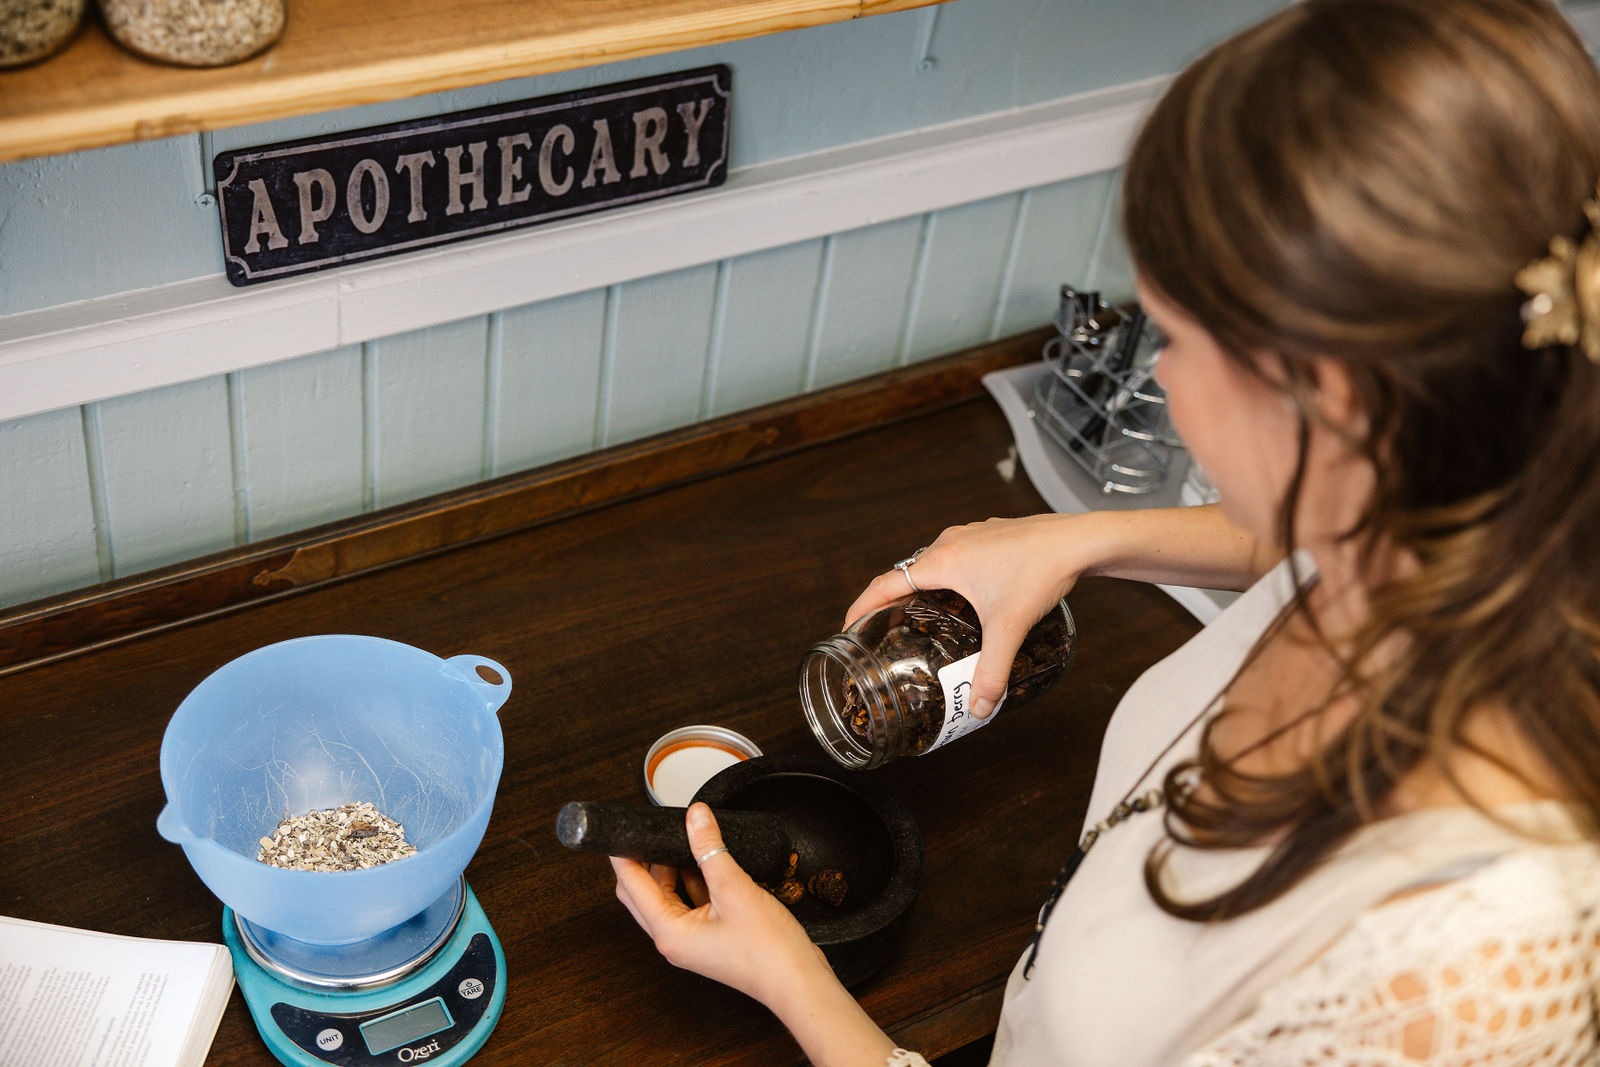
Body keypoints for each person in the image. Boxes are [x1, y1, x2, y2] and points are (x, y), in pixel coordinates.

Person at [609, 0, 1600, 1061]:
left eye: (1175, 335)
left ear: (1332, 403)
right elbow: (1309, 539)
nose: (1159, 372)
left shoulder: (1459, 972)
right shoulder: (1456, 514)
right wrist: (1078, 540)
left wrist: (794, 980)